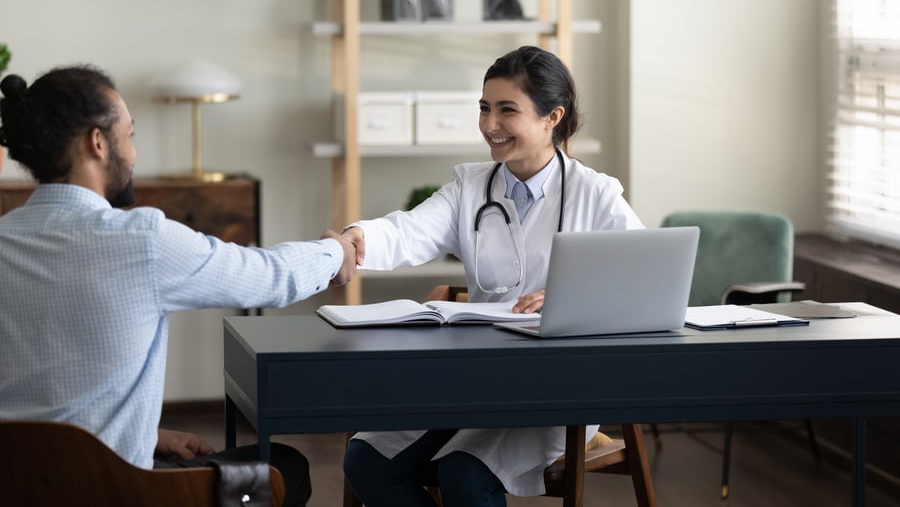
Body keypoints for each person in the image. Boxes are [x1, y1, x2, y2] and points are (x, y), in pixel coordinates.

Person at [0, 65, 361, 507]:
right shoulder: (140, 240)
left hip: (19, 488)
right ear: (97, 142)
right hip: (123, 491)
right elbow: (268, 276)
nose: (133, 154)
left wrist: (146, 434)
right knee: (286, 466)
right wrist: (336, 254)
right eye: (128, 136)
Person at [339, 45, 644, 506]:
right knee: (365, 458)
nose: (489, 125)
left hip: (560, 387)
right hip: (475, 380)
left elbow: (644, 276)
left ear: (551, 117)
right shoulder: (470, 186)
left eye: (506, 110)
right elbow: (407, 231)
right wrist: (354, 238)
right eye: (484, 108)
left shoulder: (594, 194)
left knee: (465, 473)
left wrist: (572, 295)